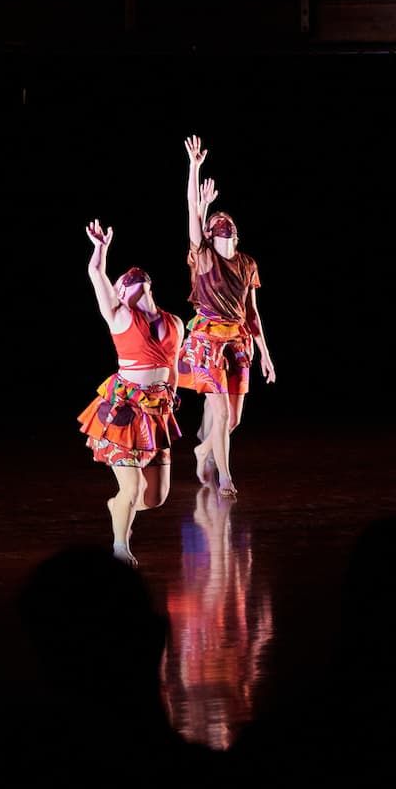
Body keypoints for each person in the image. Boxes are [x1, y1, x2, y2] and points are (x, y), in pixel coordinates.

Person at [79, 220, 182, 565]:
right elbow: (96, 274)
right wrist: (101, 249)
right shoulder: (120, 316)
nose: (130, 279)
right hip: (126, 410)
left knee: (156, 497)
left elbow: (173, 366)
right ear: (121, 294)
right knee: (132, 488)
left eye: (136, 279)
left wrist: (172, 400)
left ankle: (119, 507)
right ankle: (120, 547)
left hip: (158, 412)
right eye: (123, 283)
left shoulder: (174, 323)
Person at [179, 137, 275, 496]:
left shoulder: (247, 263)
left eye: (227, 222)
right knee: (219, 414)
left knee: (231, 419)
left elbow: (252, 313)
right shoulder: (204, 258)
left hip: (237, 339)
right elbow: (191, 207)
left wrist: (266, 354)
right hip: (206, 340)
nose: (224, 223)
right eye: (217, 222)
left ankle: (203, 450)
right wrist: (194, 166)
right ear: (211, 234)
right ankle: (226, 477)